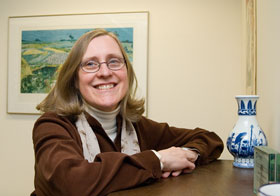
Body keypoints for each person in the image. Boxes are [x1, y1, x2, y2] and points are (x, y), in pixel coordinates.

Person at [31, 28, 224, 196]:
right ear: (74, 79)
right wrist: (158, 160)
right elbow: (71, 184)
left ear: (127, 73)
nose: (105, 72)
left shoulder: (138, 126)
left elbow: (210, 139)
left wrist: (186, 154)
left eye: (114, 61)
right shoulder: (52, 126)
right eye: (90, 64)